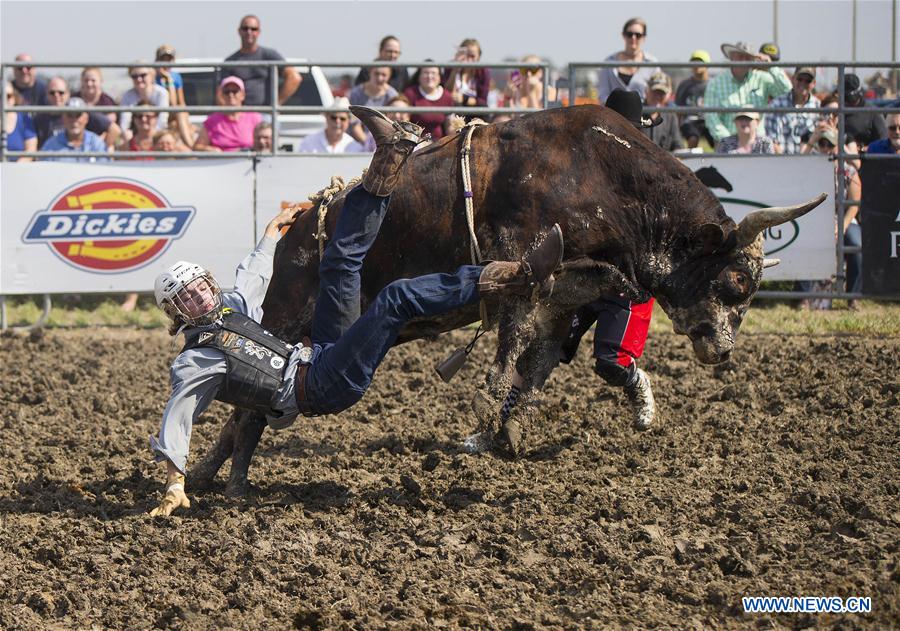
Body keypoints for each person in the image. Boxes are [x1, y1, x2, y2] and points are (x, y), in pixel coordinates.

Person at [148, 106, 564, 516]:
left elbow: (251, 274)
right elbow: (178, 416)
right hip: (320, 387)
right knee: (396, 299)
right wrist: (174, 483)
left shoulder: (231, 306)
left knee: (341, 261)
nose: (201, 297)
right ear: (176, 314)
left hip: (321, 354)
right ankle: (516, 276)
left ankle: (391, 154)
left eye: (201, 286)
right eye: (188, 297)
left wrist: (271, 234)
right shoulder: (195, 361)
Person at [497, 89, 660, 432]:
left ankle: (636, 383)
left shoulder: (653, 177)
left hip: (627, 286)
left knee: (611, 364)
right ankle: (501, 421)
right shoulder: (583, 169)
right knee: (539, 349)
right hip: (581, 278)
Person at [704, 41, 791, 143]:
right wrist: (728, 140)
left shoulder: (763, 78)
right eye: (740, 57)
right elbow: (711, 117)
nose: (744, 61)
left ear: (752, 60)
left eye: (748, 58)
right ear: (732, 58)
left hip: (758, 142)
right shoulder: (716, 83)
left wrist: (771, 66)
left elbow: (787, 92)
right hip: (727, 144)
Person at [817, 127, 863, 306]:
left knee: (856, 246)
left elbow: (855, 203)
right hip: (816, 220)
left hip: (845, 218)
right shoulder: (808, 168)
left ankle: (853, 296)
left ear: (838, 147)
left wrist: (841, 225)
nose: (826, 148)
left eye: (830, 144)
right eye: (822, 144)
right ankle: (805, 296)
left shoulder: (849, 171)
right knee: (806, 243)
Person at [223, 14, 301, 107]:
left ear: (259, 32)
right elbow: (220, 93)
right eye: (245, 28)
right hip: (240, 116)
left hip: (266, 114)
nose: (249, 32)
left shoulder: (270, 55)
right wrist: (232, 113)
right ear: (239, 31)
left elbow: (294, 77)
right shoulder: (230, 61)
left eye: (253, 29)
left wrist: (276, 104)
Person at [34, 77, 119, 149]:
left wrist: (99, 147)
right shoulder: (39, 119)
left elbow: (114, 130)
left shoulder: (82, 110)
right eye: (52, 93)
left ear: (68, 94)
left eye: (61, 92)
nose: (56, 96)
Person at [597, 17, 660, 104]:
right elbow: (603, 94)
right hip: (613, 114)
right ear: (623, 35)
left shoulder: (652, 63)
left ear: (644, 37)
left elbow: (657, 94)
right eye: (629, 34)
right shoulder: (609, 62)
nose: (633, 38)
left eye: (638, 35)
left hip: (643, 114)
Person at [193, 76, 263, 152]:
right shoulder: (212, 120)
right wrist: (212, 150)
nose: (230, 94)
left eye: (235, 91)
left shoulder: (254, 117)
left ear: (243, 95)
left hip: (248, 161)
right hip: (221, 162)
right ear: (221, 95)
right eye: (226, 91)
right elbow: (197, 147)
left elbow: (264, 142)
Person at [764, 67, 820, 154]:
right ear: (793, 79)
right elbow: (772, 141)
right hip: (781, 162)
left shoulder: (819, 107)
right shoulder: (776, 105)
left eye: (808, 81)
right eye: (800, 79)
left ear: (814, 83)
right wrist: (788, 164)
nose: (803, 83)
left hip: (811, 163)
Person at [39, 97, 109, 162]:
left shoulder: (96, 143)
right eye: (70, 115)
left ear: (86, 118)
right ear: (63, 118)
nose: (74, 120)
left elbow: (104, 170)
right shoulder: (51, 146)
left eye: (78, 115)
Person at [154, 44, 195, 148]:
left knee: (181, 114)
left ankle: (191, 146)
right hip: (158, 113)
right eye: (163, 59)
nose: (166, 62)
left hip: (173, 114)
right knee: (179, 115)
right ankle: (191, 145)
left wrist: (169, 80)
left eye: (169, 59)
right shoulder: (152, 76)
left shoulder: (176, 77)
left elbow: (179, 102)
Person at [348, 66, 398, 147]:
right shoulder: (356, 93)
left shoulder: (392, 95)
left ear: (389, 76)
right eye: (376, 73)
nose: (379, 78)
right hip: (358, 142)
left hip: (385, 143)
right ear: (370, 73)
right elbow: (354, 125)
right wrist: (368, 145)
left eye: (384, 75)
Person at [674, 50, 713, 150]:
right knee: (693, 139)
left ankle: (718, 161)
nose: (696, 65)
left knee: (718, 140)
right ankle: (691, 161)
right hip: (690, 121)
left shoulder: (713, 84)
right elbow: (678, 110)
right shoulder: (685, 85)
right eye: (694, 62)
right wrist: (677, 130)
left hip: (709, 119)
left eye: (700, 62)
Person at [403, 62, 453, 139]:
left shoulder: (447, 96)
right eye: (425, 73)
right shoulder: (410, 93)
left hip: (438, 143)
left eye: (433, 73)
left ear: (440, 77)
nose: (429, 76)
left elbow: (449, 125)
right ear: (419, 76)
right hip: (414, 142)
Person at [119, 64, 169, 140]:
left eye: (143, 75)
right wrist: (126, 132)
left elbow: (162, 119)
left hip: (157, 131)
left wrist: (153, 134)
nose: (139, 79)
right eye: (134, 76)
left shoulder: (161, 93)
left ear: (152, 76)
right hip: (136, 131)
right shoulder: (127, 95)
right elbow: (125, 120)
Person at [298, 97, 365, 153]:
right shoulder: (309, 142)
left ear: (348, 121)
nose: (337, 121)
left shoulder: (355, 147)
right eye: (334, 117)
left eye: (342, 119)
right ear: (327, 117)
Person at [842, 73, 888, 149]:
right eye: (844, 99)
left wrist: (862, 149)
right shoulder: (836, 110)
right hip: (838, 156)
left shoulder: (873, 112)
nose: (846, 103)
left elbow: (883, 141)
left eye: (849, 99)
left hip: (864, 157)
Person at [443, 38, 491, 108]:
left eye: (472, 56)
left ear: (478, 57)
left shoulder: (482, 72)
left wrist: (465, 99)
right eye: (466, 55)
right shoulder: (450, 68)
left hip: (474, 111)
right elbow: (446, 92)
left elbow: (483, 101)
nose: (469, 59)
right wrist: (455, 68)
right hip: (455, 109)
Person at [642, 71, 683, 151]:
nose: (657, 96)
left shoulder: (671, 117)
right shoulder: (634, 113)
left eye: (662, 93)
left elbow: (678, 145)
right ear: (647, 91)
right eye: (654, 92)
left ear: (668, 95)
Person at [4, 82, 37, 162]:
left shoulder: (24, 119)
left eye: (8, 96)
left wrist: (16, 167)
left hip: (18, 170)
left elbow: (31, 149)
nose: (3, 100)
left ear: (14, 98)